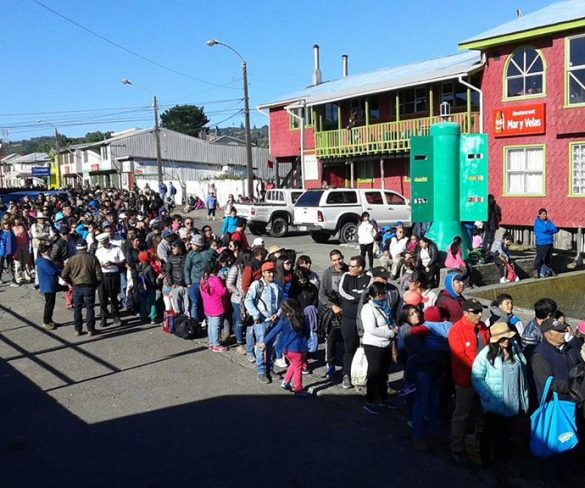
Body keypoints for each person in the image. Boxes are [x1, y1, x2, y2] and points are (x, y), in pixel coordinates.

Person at [472, 322, 529, 482]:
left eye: (508, 337)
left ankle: (504, 462)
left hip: (513, 401)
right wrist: (488, 396)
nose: (507, 341)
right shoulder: (486, 354)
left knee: (506, 435)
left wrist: (524, 399)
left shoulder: (515, 349)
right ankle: (486, 467)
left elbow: (522, 371)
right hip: (495, 405)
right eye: (503, 339)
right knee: (489, 436)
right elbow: (476, 376)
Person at [448, 298, 490, 465]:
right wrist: (480, 368)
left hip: (483, 378)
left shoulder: (482, 328)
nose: (479, 314)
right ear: (466, 313)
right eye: (475, 312)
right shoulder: (456, 330)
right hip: (465, 379)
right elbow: (461, 357)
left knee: (481, 412)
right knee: (462, 413)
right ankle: (456, 445)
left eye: (480, 311)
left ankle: (477, 442)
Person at [258, 299, 310, 397]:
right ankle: (298, 389)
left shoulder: (283, 320)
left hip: (285, 349)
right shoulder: (302, 318)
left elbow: (274, 331)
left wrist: (264, 342)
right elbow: (307, 333)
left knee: (293, 365)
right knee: (298, 368)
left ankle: (285, 382)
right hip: (297, 349)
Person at [360, 282, 399, 414]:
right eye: (382, 294)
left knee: (383, 373)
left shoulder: (384, 306)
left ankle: (384, 398)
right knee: (374, 373)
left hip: (386, 344)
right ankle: (369, 400)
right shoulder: (367, 309)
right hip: (373, 345)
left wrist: (394, 329)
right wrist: (390, 332)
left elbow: (390, 320)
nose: (385, 296)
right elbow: (371, 329)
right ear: (375, 295)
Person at [244, 261, 282, 384]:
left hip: (274, 320)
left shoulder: (277, 285)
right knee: (261, 346)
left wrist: (278, 313)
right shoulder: (257, 285)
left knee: (272, 345)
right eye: (268, 272)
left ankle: (270, 369)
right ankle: (261, 371)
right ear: (263, 273)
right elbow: (248, 301)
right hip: (262, 321)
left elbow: (282, 301)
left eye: (272, 272)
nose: (271, 274)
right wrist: (256, 315)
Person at [338, 255, 371, 389]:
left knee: (366, 348)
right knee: (348, 348)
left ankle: (365, 375)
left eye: (353, 266)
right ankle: (346, 374)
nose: (349, 268)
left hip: (364, 320)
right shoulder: (346, 276)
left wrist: (358, 297)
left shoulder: (369, 278)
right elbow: (343, 292)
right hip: (348, 318)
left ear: (361, 268)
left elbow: (367, 294)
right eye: (350, 265)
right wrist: (357, 297)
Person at [61, 239, 103, 336]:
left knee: (77, 308)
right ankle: (91, 329)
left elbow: (64, 274)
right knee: (90, 308)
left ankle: (77, 329)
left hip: (76, 286)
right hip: (89, 285)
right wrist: (96, 284)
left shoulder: (71, 259)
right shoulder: (92, 258)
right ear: (86, 246)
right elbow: (99, 275)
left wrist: (70, 282)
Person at [319, 250, 348, 379]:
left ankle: (347, 367)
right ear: (331, 261)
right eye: (334, 260)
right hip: (333, 312)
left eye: (339, 259)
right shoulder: (327, 273)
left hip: (347, 311)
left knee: (347, 340)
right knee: (331, 339)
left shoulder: (348, 270)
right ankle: (330, 365)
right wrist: (333, 306)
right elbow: (322, 294)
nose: (338, 262)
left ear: (342, 258)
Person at [94, 232, 125, 327]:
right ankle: (104, 317)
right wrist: (101, 265)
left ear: (108, 240)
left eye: (105, 242)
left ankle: (115, 315)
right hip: (102, 275)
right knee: (102, 297)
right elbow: (95, 263)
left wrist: (114, 263)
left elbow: (123, 261)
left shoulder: (116, 249)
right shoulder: (98, 251)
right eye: (102, 243)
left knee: (114, 296)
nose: (104, 245)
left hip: (113, 274)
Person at [184, 234, 216, 324]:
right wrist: (188, 283)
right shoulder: (190, 255)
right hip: (194, 282)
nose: (191, 245)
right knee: (195, 303)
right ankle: (194, 322)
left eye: (193, 244)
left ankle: (207, 320)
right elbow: (187, 268)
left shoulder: (208, 252)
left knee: (206, 302)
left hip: (206, 281)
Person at [200, 259, 229, 352]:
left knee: (210, 325)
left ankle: (211, 343)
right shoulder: (216, 280)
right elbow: (222, 292)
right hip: (216, 306)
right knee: (216, 326)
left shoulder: (203, 279)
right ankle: (216, 344)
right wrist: (225, 287)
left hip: (207, 305)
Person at [36, 243, 61, 330]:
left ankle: (49, 320)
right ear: (45, 251)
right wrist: (60, 271)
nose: (50, 251)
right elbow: (52, 271)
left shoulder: (45, 260)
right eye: (49, 250)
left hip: (50, 285)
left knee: (51, 304)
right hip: (48, 286)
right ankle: (46, 321)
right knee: (49, 304)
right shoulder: (43, 262)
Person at [533, 208, 559, 278]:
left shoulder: (549, 221)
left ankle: (550, 270)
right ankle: (536, 271)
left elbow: (555, 229)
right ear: (539, 215)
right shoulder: (537, 222)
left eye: (546, 214)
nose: (545, 215)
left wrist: (548, 231)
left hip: (549, 242)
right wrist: (549, 231)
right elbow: (544, 229)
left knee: (549, 258)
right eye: (543, 214)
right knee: (540, 258)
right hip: (541, 243)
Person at [137, 251, 158, 323]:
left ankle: (143, 317)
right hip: (150, 288)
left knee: (143, 303)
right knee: (153, 303)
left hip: (141, 288)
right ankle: (153, 317)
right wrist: (154, 286)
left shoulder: (138, 267)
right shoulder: (149, 267)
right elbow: (152, 279)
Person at [0, 219, 16, 283]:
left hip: (10, 252)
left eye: (8, 224)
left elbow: (14, 242)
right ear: (3, 225)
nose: (7, 225)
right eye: (5, 224)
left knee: (10, 266)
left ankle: (12, 280)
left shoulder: (11, 233)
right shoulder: (1, 233)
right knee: (0, 266)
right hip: (1, 252)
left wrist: (14, 251)